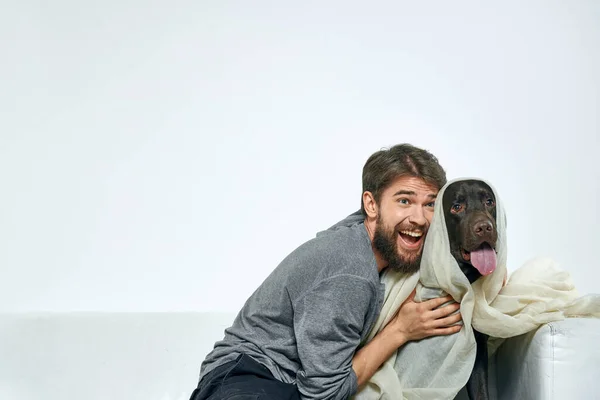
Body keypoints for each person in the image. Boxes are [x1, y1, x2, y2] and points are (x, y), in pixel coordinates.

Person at [190, 144, 463, 400]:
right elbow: (324, 394)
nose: (419, 218)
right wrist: (400, 330)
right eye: (404, 201)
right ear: (371, 205)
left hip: (270, 381)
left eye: (430, 204)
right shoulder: (350, 272)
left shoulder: (362, 235)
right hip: (245, 380)